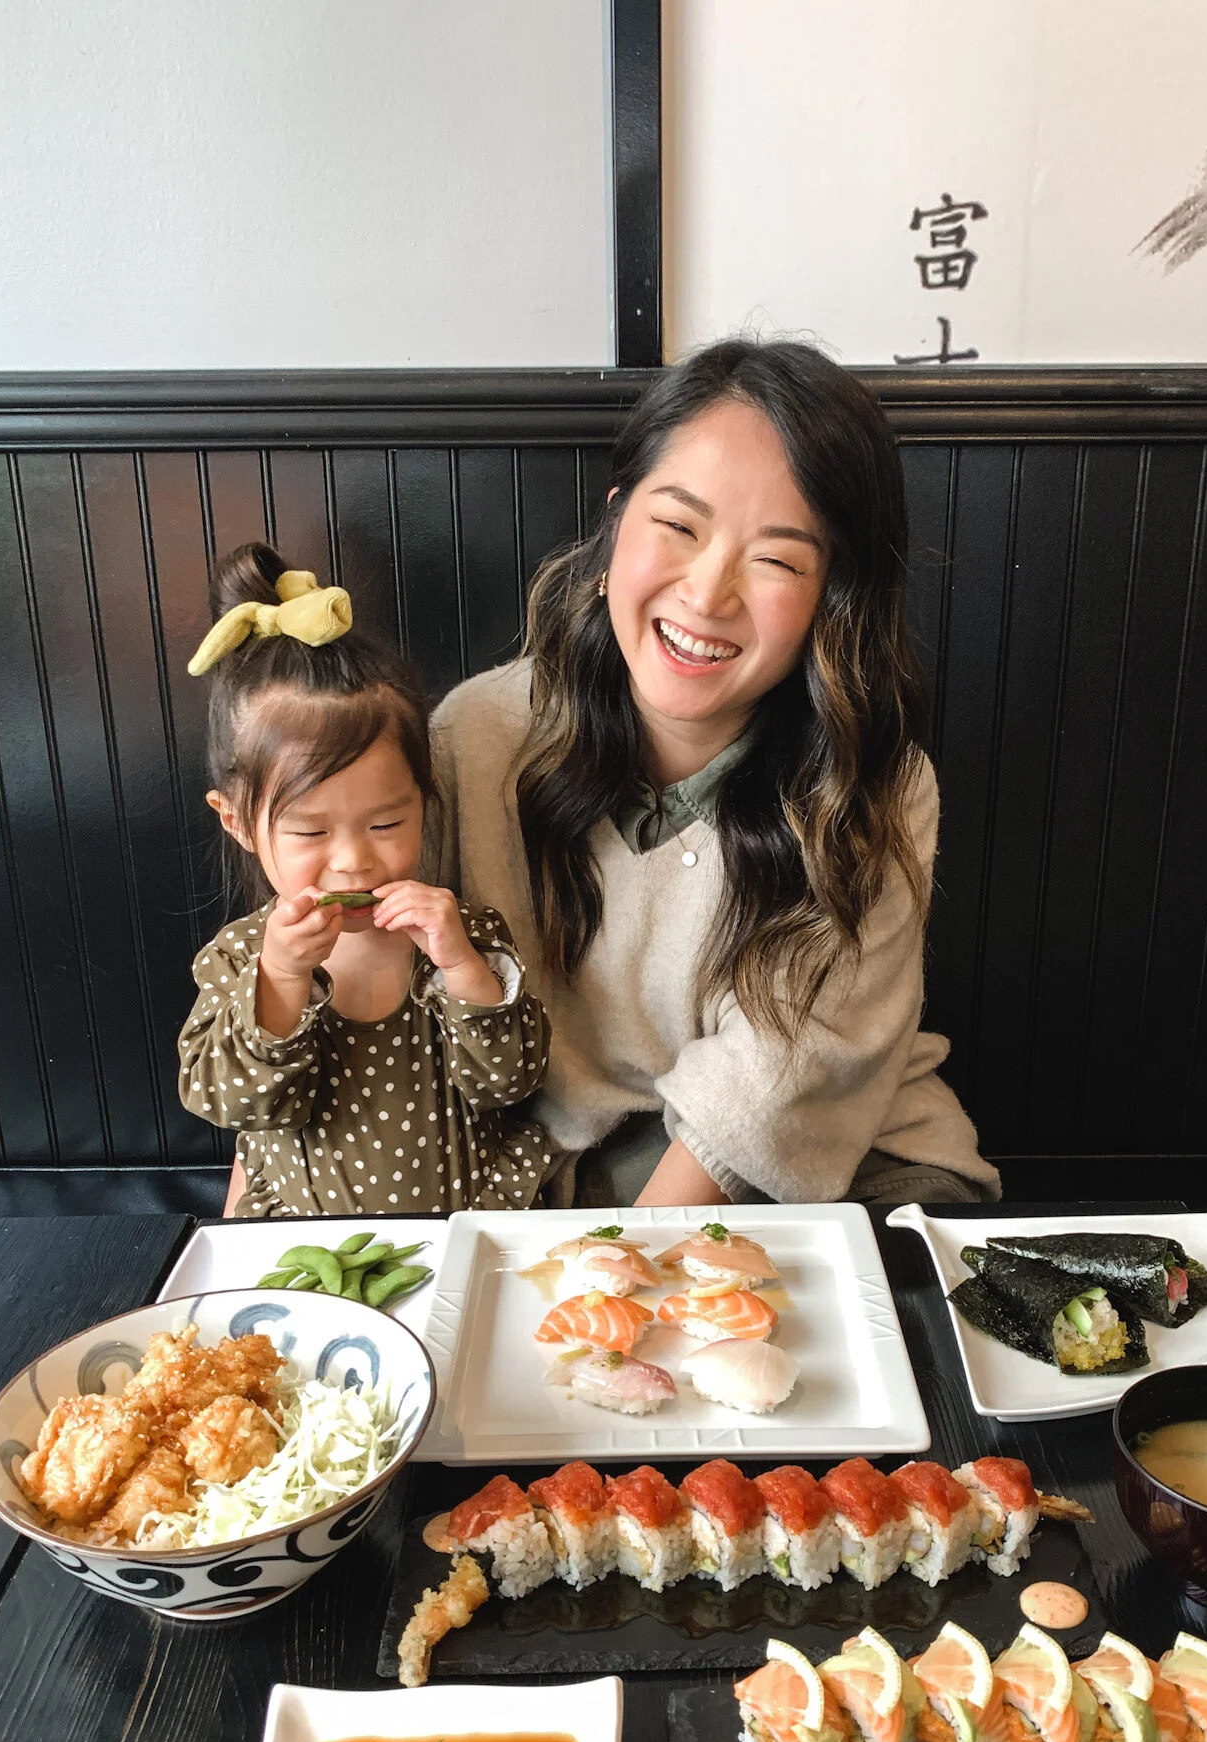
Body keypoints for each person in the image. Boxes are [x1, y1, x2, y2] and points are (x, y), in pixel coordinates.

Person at [428, 339, 1000, 1209]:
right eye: (679, 527)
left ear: (832, 598)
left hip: (837, 1171)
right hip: (554, 1187)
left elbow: (777, 1082)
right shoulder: (475, 733)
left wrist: (617, 1268)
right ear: (617, 524)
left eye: (777, 560)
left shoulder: (873, 784)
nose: (706, 594)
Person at [177, 542, 553, 1218]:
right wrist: (282, 977)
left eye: (386, 823)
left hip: (465, 1227)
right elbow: (234, 1103)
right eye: (310, 833)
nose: (353, 861)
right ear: (237, 823)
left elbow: (510, 1082)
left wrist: (461, 966)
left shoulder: (463, 934)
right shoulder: (239, 959)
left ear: (425, 801)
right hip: (301, 1239)